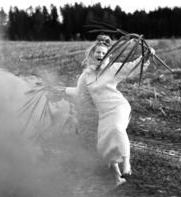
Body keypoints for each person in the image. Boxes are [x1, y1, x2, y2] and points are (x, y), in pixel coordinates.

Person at [60, 35, 155, 187]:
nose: (100, 55)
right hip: (104, 113)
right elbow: (78, 91)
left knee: (117, 129)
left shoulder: (113, 69)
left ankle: (126, 164)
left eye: (104, 53)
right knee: (104, 146)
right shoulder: (86, 75)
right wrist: (62, 89)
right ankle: (118, 179)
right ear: (92, 54)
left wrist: (147, 55)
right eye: (98, 52)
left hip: (118, 107)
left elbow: (132, 66)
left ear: (108, 56)